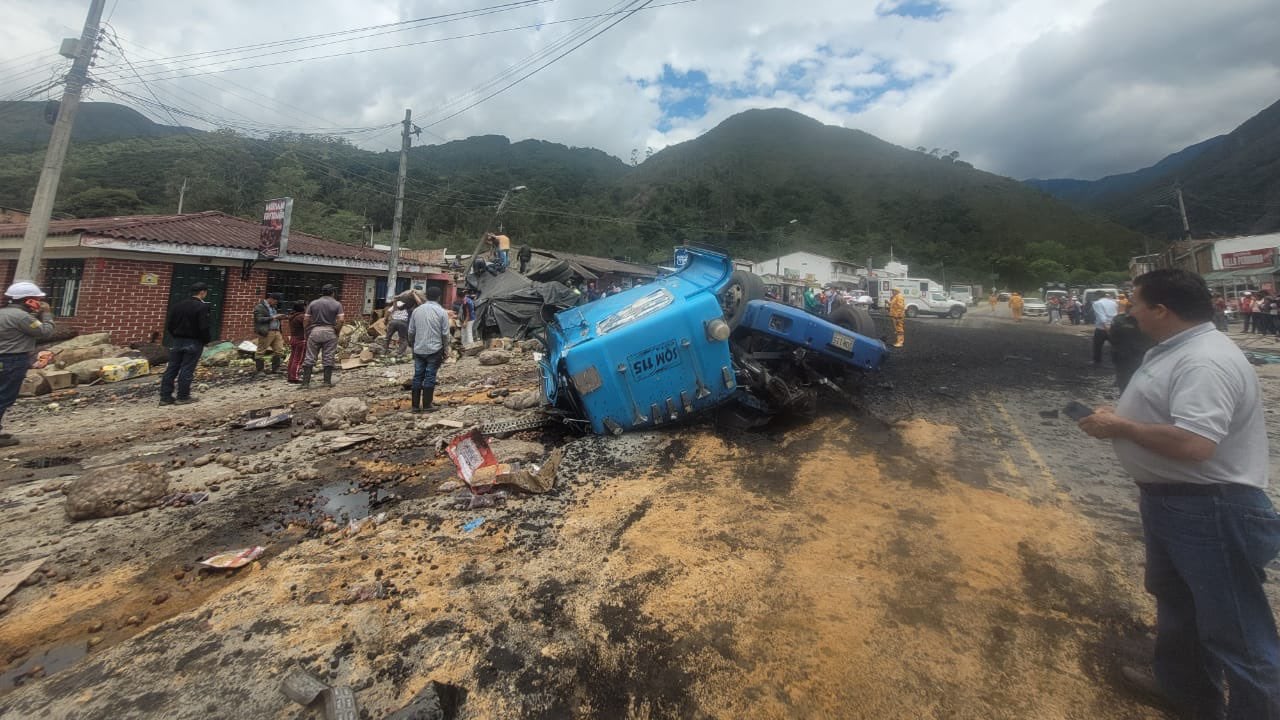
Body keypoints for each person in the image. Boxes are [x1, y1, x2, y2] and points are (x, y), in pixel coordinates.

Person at [1077, 269, 1280, 719]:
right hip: (1179, 504)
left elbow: (1194, 444)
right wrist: (1119, 416)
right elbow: (1169, 414)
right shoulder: (1181, 350)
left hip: (1211, 510)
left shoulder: (1203, 360)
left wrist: (1122, 426)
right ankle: (1187, 692)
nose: (1130, 311)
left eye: (1135, 303)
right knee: (1179, 604)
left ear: (1161, 310)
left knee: (1238, 633)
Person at [0, 282, 54, 446]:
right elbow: (45, 331)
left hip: (5, 358)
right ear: (28, 300)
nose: (39, 303)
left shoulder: (3, 313)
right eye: (37, 300)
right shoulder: (22, 317)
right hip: (12, 360)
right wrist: (46, 314)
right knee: (4, 396)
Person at [160, 282, 211, 405]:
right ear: (202, 292)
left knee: (172, 368)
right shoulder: (202, 307)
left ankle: (165, 397)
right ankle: (183, 396)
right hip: (194, 341)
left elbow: (170, 325)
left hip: (177, 340)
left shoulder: (178, 306)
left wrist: (176, 335)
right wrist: (206, 340)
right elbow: (203, 327)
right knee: (187, 369)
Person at [407, 286, 450, 413]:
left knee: (417, 376)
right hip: (435, 349)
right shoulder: (442, 312)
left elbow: (410, 331)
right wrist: (446, 349)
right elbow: (445, 334)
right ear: (439, 297)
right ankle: (427, 405)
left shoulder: (416, 311)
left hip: (419, 349)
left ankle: (415, 406)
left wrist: (412, 344)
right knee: (430, 376)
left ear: (426, 296)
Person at [300, 284, 344, 388]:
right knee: (328, 356)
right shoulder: (337, 304)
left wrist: (306, 332)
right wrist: (336, 331)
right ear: (333, 293)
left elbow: (306, 320)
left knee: (309, 356)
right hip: (330, 331)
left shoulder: (313, 303)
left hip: (314, 331)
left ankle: (305, 383)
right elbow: (341, 320)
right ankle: (326, 382)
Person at [252, 291, 284, 375]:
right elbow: (259, 319)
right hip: (267, 331)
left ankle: (275, 369)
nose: (277, 303)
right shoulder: (260, 307)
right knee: (261, 351)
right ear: (271, 299)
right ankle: (260, 370)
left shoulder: (274, 307)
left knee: (279, 350)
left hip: (276, 331)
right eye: (276, 301)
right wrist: (272, 317)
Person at [1091, 292, 1118, 364]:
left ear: (1097, 296)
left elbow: (1101, 315)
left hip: (1102, 328)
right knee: (1116, 345)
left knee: (1097, 346)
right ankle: (1119, 361)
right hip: (1113, 326)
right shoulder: (1113, 302)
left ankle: (1097, 361)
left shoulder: (1097, 303)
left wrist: (1106, 327)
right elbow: (1116, 313)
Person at [285, 301, 307, 384]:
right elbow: (308, 325)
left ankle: (290, 375)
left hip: (293, 338)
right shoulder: (301, 317)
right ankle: (294, 377)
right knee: (298, 359)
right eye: (305, 306)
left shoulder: (293, 316)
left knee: (292, 358)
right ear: (302, 307)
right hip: (300, 340)